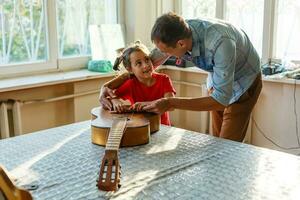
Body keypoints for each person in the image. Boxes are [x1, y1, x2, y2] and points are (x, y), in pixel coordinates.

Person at [101, 12, 262, 142]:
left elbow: (221, 101)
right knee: (217, 143)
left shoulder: (221, 43)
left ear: (181, 44)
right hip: (219, 80)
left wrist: (171, 102)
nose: (163, 56)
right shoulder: (175, 33)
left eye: (167, 52)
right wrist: (107, 87)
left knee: (228, 147)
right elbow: (143, 66)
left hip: (244, 82)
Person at [99, 41, 176, 126]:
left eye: (147, 59)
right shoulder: (131, 84)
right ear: (130, 69)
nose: (145, 65)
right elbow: (108, 96)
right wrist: (115, 100)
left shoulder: (164, 79)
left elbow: (171, 105)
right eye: (139, 63)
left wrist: (146, 104)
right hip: (139, 128)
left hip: (162, 128)